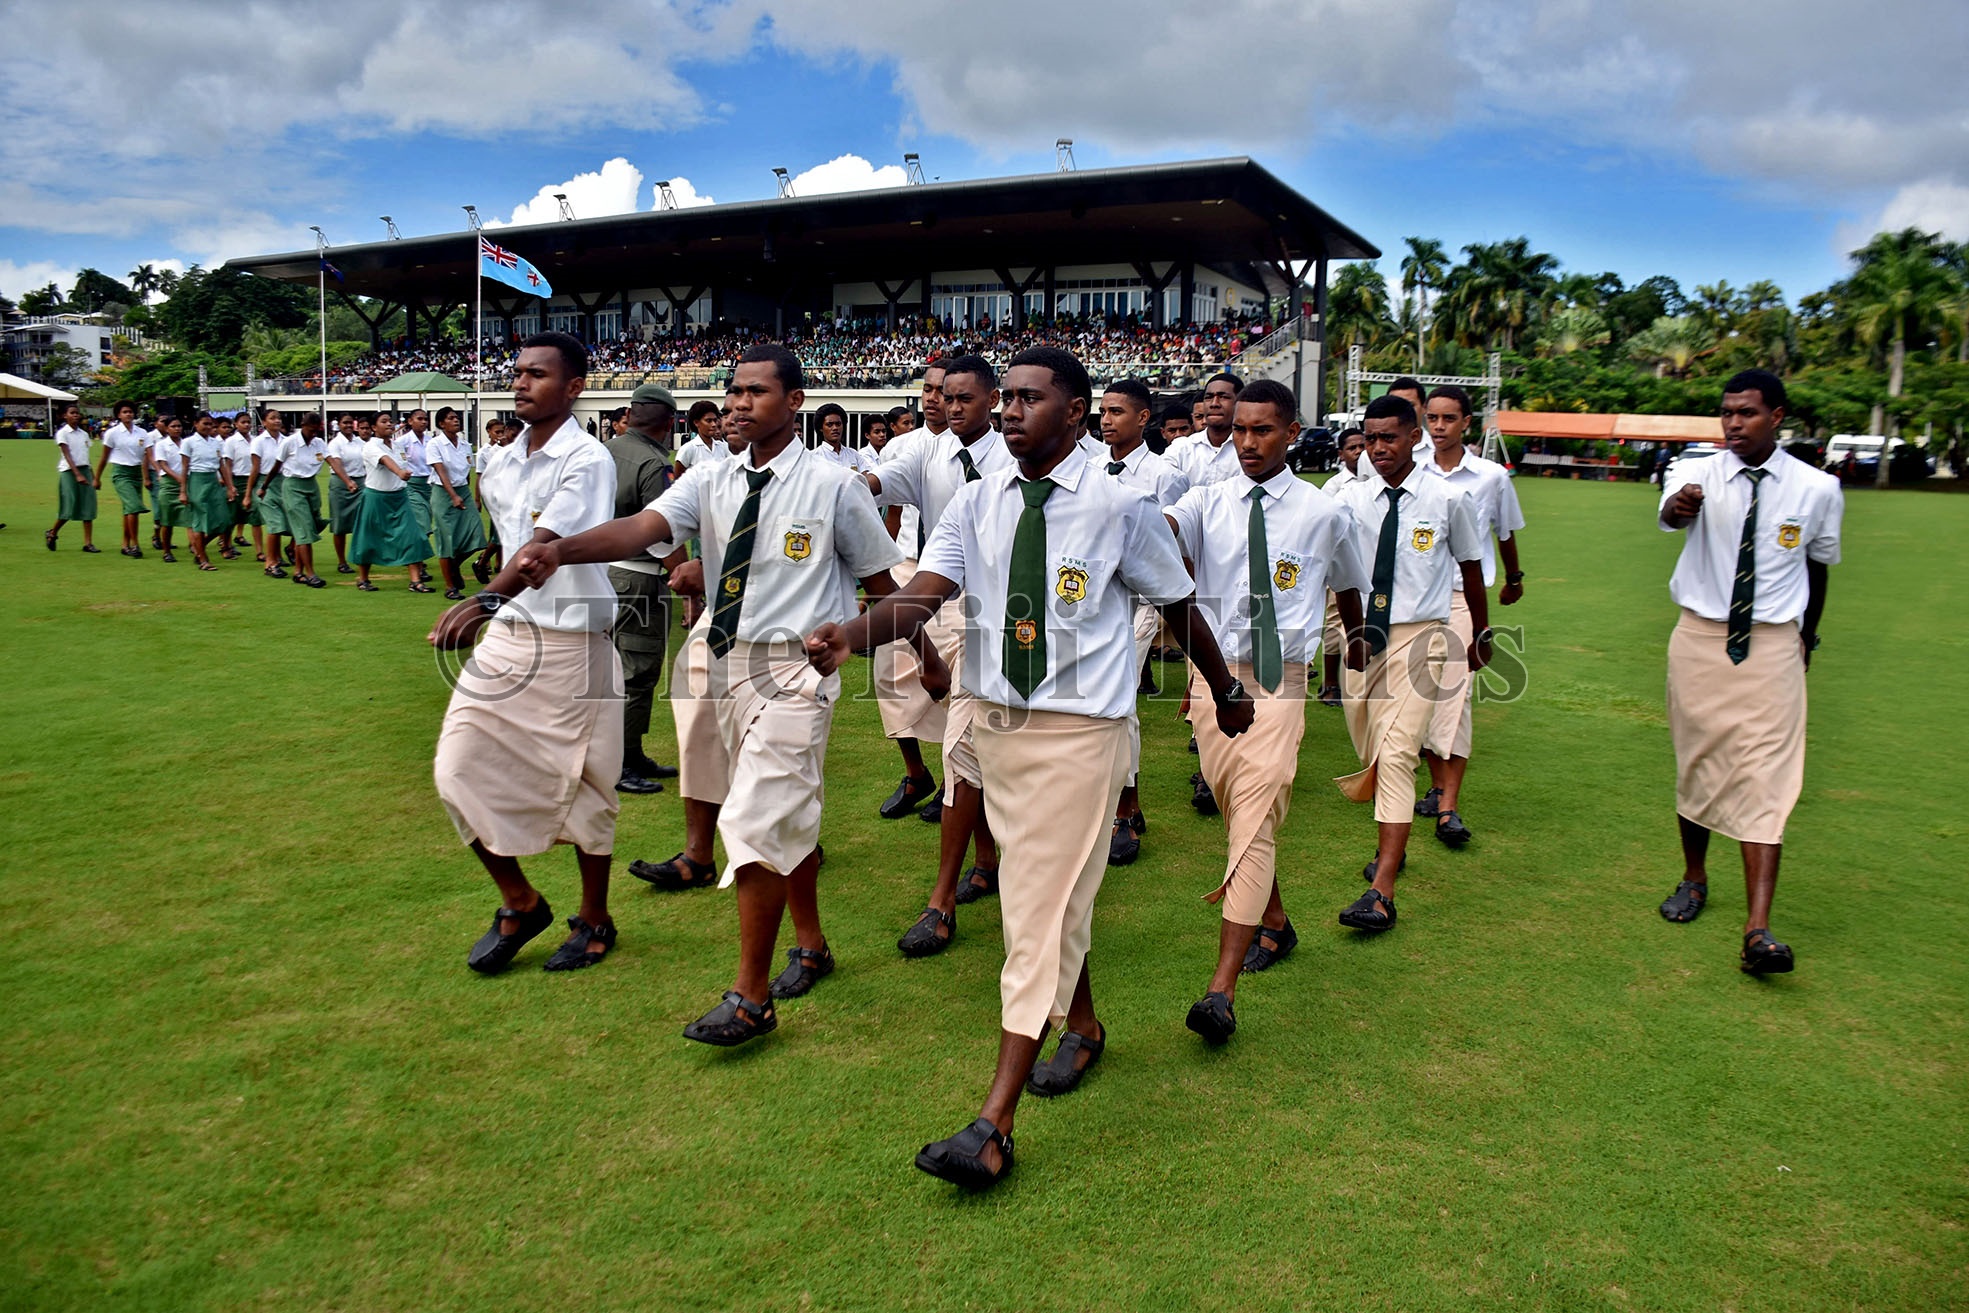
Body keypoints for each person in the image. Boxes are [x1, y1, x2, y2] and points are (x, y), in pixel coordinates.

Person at [805, 345, 1252, 1188]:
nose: (1008, 410)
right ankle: (1081, 1027)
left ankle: (992, 1120)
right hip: (995, 724)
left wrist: (1224, 688)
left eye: (1027, 399)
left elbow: (1178, 606)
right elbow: (920, 594)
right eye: (1003, 397)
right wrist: (851, 634)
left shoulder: (1122, 508)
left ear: (1075, 412)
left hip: (1080, 737)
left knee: (1036, 905)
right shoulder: (975, 501)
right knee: (1041, 897)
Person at [513, 342, 906, 1029]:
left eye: (755, 391)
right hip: (720, 658)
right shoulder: (711, 478)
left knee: (754, 816)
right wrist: (559, 547)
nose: (737, 404)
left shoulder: (835, 485)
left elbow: (882, 584)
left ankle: (750, 995)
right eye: (732, 391)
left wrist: (922, 657)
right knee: (786, 813)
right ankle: (809, 944)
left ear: (795, 402)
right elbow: (644, 526)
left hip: (793, 669)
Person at [1169, 380, 1368, 1039]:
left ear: (1290, 432)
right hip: (1214, 678)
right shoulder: (1204, 501)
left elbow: (1346, 582)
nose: (1246, 442)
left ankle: (1219, 989)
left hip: (1280, 679)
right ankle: (1275, 924)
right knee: (1236, 810)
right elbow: (1164, 528)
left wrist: (1359, 640)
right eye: (1239, 429)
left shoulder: (1321, 513)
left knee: (1257, 807)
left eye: (1261, 430)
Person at [428, 332, 626, 976]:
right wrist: (494, 605)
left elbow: (543, 547)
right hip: (512, 637)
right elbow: (513, 540)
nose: (520, 383)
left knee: (589, 783)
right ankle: (520, 900)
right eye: (516, 373)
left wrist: (478, 603)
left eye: (538, 375)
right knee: (455, 768)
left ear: (574, 389)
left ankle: (595, 919)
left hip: (573, 639)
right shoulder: (502, 460)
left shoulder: (588, 459)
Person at [1655, 370, 1840, 975]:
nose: (1733, 423)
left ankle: (1758, 930)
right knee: (1699, 760)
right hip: (1701, 640)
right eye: (1727, 412)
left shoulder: (1818, 489)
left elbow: (1818, 570)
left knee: (1767, 777)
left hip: (1773, 646)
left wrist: (1806, 640)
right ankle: (1694, 876)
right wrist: (1682, 507)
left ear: (1777, 416)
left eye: (1748, 413)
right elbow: (1673, 509)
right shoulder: (1696, 472)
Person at [1301, 395, 1489, 934]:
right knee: (1372, 748)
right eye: (1370, 438)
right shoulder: (1348, 502)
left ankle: (1381, 889)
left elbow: (1471, 569)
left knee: (1398, 751)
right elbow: (1334, 574)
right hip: (1364, 642)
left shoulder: (1449, 499)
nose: (1378, 448)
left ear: (1414, 438)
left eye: (1390, 437)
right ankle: (1395, 837)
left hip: (1423, 638)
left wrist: (1479, 633)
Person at [866, 355, 1010, 956]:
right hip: (945, 602)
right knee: (961, 752)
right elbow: (871, 484)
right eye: (940, 396)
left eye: (961, 398)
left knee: (977, 753)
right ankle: (963, 879)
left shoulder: (1016, 462)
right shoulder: (924, 451)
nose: (948, 407)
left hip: (1008, 619)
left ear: (993, 400)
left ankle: (966, 880)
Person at [1415, 386, 1526, 845]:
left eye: (1448, 418)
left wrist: (1514, 577)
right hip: (1417, 600)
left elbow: (1504, 532)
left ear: (1467, 423)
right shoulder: (1411, 468)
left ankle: (1448, 808)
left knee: (1453, 700)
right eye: (1432, 418)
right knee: (1420, 701)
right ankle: (1437, 785)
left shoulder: (1490, 477)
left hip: (1463, 598)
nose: (1438, 427)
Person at [1096, 377, 1189, 864]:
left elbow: (1169, 546)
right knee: (1100, 704)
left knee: (1120, 704)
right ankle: (1113, 803)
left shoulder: (1162, 474)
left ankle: (1126, 810)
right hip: (1094, 605)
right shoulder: (1090, 468)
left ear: (1143, 419)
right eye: (1103, 412)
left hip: (1141, 604)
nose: (1107, 420)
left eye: (1117, 412)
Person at [603, 382, 682, 794]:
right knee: (637, 671)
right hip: (640, 575)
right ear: (669, 422)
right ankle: (620, 762)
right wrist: (687, 581)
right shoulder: (653, 463)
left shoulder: (606, 451)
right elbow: (662, 532)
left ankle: (630, 753)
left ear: (631, 414)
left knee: (617, 668)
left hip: (605, 573)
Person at [350, 411, 433, 592]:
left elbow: (402, 462)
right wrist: (400, 473)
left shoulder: (397, 446)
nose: (389, 424)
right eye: (384, 421)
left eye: (390, 421)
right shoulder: (371, 446)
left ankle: (415, 581)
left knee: (413, 536)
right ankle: (363, 578)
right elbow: (385, 461)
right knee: (368, 538)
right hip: (376, 497)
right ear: (374, 427)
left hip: (399, 497)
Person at [1317, 426, 1370, 704]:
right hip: (1341, 563)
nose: (1359, 452)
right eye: (1353, 448)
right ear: (1341, 454)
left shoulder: (1375, 480)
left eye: (1363, 446)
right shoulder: (1335, 488)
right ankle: (1329, 682)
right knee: (1336, 620)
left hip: (1369, 562)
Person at [426, 407, 489, 600]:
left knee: (476, 534)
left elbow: (467, 473)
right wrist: (453, 495)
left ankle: (453, 565)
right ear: (441, 423)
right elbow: (441, 471)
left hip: (462, 491)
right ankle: (450, 586)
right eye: (451, 418)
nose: (456, 421)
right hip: (443, 493)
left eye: (457, 417)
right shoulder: (435, 444)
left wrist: (469, 496)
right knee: (446, 539)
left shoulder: (464, 445)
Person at [276, 411, 330, 588]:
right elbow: (277, 465)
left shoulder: (319, 443)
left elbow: (331, 460)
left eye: (317, 430)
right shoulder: (289, 442)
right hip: (293, 486)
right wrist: (263, 487)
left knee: (313, 524)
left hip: (311, 485)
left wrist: (347, 480)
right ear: (303, 425)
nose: (313, 434)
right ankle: (310, 574)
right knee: (304, 529)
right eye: (311, 430)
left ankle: (298, 571)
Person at [1165, 373, 1243, 488]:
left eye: (1223, 397)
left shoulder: (1249, 450)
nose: (1214, 404)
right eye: (1209, 397)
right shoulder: (1181, 449)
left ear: (1240, 403)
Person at [180, 412, 233, 570]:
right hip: (197, 480)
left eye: (211, 424)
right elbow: (184, 468)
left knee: (223, 520)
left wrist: (230, 487)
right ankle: (203, 559)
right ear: (196, 424)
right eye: (205, 423)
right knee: (200, 520)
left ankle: (198, 548)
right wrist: (183, 491)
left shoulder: (215, 443)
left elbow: (221, 465)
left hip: (213, 482)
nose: (208, 427)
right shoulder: (188, 442)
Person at [98, 401, 149, 556]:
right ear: (119, 415)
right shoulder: (112, 433)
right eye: (125, 412)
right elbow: (104, 456)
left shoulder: (142, 432)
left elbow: (148, 455)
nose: (128, 414)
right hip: (121, 472)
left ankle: (125, 544)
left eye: (131, 412)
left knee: (130, 510)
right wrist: (97, 477)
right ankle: (135, 544)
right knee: (134, 506)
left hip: (136, 472)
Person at [46, 403, 99, 554]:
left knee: (88, 506)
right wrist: (77, 474)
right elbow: (67, 455)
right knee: (69, 506)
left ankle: (88, 543)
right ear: (65, 416)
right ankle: (53, 532)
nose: (76, 415)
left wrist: (93, 476)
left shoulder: (83, 434)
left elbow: (85, 456)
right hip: (69, 471)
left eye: (77, 413)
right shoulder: (63, 433)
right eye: (72, 413)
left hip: (85, 470)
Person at [325, 411, 366, 573]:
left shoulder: (359, 442)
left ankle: (359, 557)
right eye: (345, 423)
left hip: (361, 484)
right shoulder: (335, 443)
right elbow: (336, 464)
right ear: (339, 425)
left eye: (350, 422)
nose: (348, 425)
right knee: (340, 525)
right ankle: (342, 561)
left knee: (361, 524)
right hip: (341, 485)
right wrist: (347, 481)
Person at [250, 409, 289, 577]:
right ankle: (270, 563)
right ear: (264, 422)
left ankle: (279, 555)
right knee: (275, 523)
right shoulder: (259, 442)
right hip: (265, 483)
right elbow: (255, 468)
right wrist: (247, 494)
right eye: (272, 418)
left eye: (279, 418)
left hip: (284, 483)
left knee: (287, 522)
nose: (277, 421)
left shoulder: (287, 441)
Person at [223, 413, 261, 559]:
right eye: (243, 422)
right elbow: (228, 465)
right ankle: (226, 547)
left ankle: (259, 551)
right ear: (236, 424)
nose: (246, 425)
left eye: (248, 422)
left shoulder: (255, 440)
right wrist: (230, 486)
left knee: (255, 516)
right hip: (237, 480)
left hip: (252, 480)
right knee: (232, 517)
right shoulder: (231, 442)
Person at [150, 417, 187, 563]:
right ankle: (166, 551)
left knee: (190, 519)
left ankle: (196, 549)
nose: (177, 429)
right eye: (173, 426)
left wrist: (183, 479)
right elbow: (163, 465)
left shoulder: (186, 443)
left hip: (185, 482)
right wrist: (178, 478)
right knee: (167, 519)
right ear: (166, 429)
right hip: (169, 483)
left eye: (179, 426)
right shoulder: (161, 445)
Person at [401, 409, 437, 548]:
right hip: (412, 484)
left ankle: (412, 550)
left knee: (426, 518)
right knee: (422, 520)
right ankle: (418, 558)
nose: (423, 422)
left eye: (426, 419)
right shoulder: (403, 441)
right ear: (410, 421)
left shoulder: (431, 441)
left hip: (429, 484)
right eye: (420, 419)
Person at [674, 399, 725, 477]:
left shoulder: (723, 447)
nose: (714, 424)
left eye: (715, 420)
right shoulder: (688, 449)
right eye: (709, 421)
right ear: (696, 422)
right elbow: (677, 479)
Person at [812, 402, 868, 473]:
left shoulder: (853, 454)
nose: (835, 428)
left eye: (838, 424)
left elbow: (866, 479)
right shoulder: (814, 456)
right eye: (829, 425)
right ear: (821, 428)